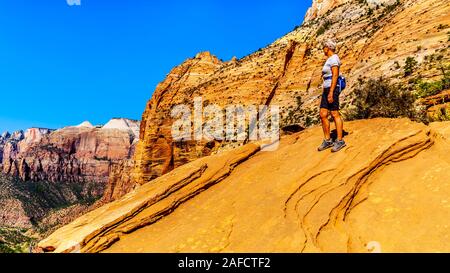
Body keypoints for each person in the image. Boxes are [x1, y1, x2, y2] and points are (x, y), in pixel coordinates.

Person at [317, 39, 346, 153]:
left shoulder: (334, 59)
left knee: (334, 113)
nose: (323, 49)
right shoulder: (329, 59)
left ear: (327, 48)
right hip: (327, 89)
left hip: (332, 88)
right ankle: (328, 140)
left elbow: (335, 75)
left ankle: (340, 140)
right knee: (323, 114)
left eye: (323, 47)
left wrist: (331, 92)